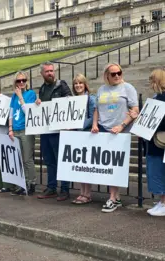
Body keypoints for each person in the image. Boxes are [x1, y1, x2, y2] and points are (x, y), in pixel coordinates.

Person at [91, 63, 139, 213]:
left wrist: (122, 126)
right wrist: (94, 124)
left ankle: (112, 198)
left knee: (114, 165)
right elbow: (97, 109)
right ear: (107, 76)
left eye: (119, 72)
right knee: (107, 165)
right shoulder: (101, 89)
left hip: (120, 131)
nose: (117, 75)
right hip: (104, 129)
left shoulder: (128, 88)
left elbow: (135, 110)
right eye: (113, 74)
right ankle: (116, 197)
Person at [130, 68, 165, 216]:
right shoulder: (159, 96)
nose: (150, 82)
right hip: (153, 140)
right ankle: (162, 201)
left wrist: (145, 122)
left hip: (158, 139)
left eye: (152, 79)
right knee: (155, 171)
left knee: (159, 171)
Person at [35, 62, 73, 201]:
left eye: (52, 71)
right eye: (47, 71)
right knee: (49, 160)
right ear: (42, 74)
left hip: (58, 130)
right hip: (45, 130)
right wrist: (38, 102)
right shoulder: (43, 88)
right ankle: (51, 187)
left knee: (61, 160)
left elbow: (70, 100)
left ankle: (64, 189)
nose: (50, 73)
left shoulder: (61, 85)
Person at [8, 71, 37, 195]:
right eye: (18, 81)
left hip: (26, 129)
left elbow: (28, 112)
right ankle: (22, 183)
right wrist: (10, 128)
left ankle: (31, 183)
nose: (21, 83)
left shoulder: (30, 94)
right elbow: (11, 112)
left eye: (23, 80)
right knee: (19, 159)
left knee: (27, 158)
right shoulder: (14, 96)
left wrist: (20, 96)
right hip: (15, 129)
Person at [70, 74, 97, 205]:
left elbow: (92, 117)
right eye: (76, 83)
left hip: (86, 134)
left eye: (80, 83)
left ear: (85, 84)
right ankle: (82, 192)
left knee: (86, 165)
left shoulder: (91, 99)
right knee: (79, 165)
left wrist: (78, 125)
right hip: (76, 135)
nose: (78, 85)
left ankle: (88, 193)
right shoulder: (73, 100)